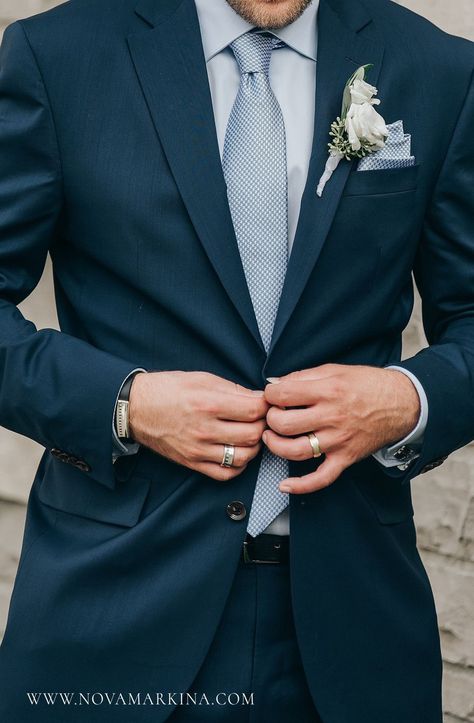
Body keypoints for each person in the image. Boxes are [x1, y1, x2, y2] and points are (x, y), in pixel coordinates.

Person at [0, 0, 473, 720]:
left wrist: (407, 400)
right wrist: (123, 404)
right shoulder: (57, 56)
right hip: (112, 618)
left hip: (353, 634)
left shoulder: (438, 70)